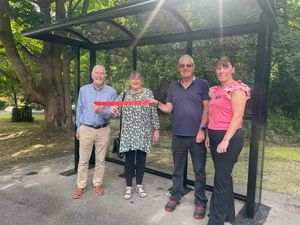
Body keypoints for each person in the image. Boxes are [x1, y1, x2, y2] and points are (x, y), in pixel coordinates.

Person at [149, 54, 209, 219]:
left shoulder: (202, 84)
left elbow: (207, 108)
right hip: (178, 136)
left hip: (197, 136)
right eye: (182, 66)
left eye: (188, 65)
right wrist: (158, 104)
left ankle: (201, 201)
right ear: (178, 68)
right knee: (177, 170)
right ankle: (175, 196)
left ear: (193, 67)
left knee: (199, 171)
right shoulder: (173, 87)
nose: (185, 68)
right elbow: (169, 108)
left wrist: (202, 129)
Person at [206, 56, 251, 225]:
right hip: (215, 136)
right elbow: (212, 115)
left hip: (229, 139)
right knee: (224, 177)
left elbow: (237, 117)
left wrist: (225, 140)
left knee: (221, 178)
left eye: (225, 67)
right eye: (218, 67)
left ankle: (215, 220)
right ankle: (228, 216)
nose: (221, 70)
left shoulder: (237, 89)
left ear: (233, 69)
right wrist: (209, 136)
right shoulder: (215, 90)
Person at [110, 71, 160, 200]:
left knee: (142, 159)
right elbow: (116, 112)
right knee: (129, 160)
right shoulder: (124, 94)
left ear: (141, 81)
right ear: (129, 81)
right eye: (133, 79)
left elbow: (153, 111)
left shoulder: (148, 93)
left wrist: (156, 129)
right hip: (128, 132)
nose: (135, 81)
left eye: (138, 78)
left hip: (143, 132)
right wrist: (113, 111)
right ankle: (128, 187)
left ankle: (139, 185)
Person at [73, 65, 118, 199]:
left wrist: (103, 112)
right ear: (92, 75)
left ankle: (97, 183)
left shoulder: (111, 92)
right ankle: (80, 185)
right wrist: (78, 128)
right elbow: (79, 109)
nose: (99, 75)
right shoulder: (83, 90)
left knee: (100, 160)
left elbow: (114, 114)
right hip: (86, 128)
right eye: (97, 73)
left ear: (105, 76)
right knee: (83, 160)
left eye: (102, 73)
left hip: (103, 129)